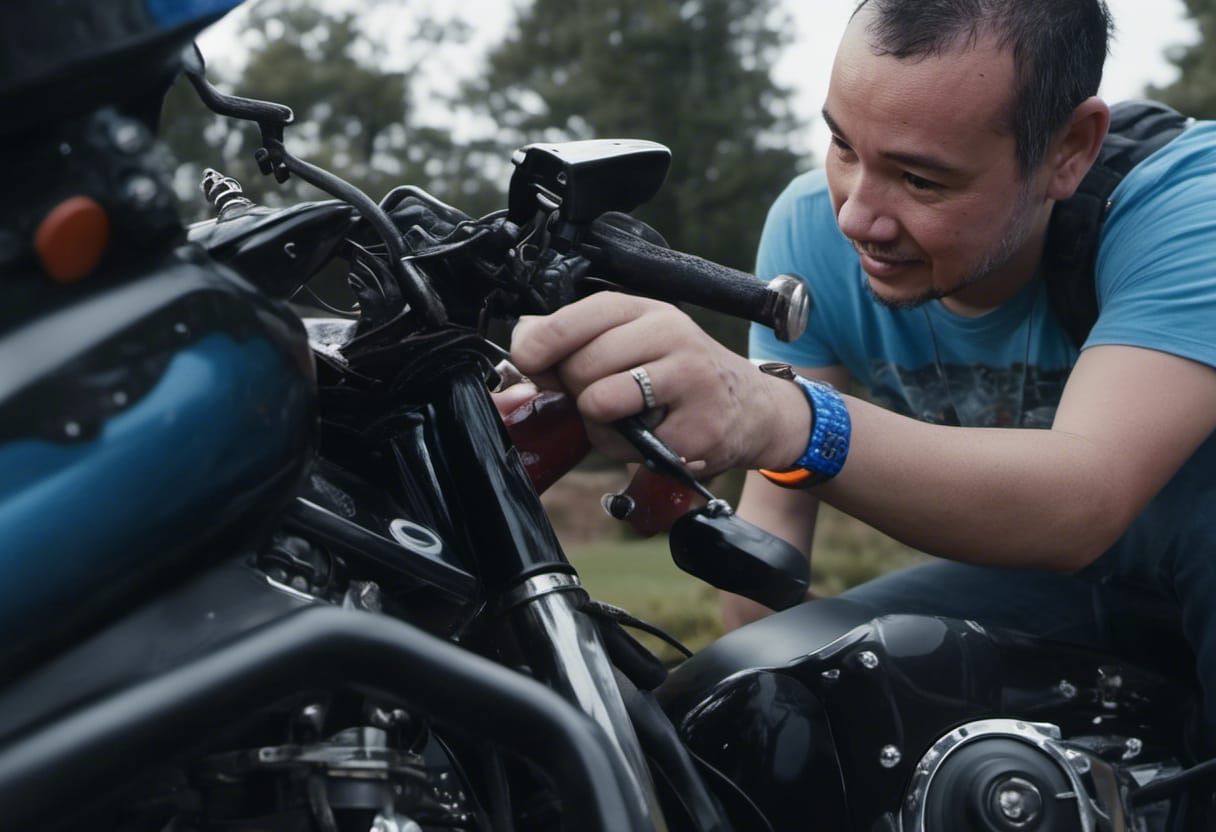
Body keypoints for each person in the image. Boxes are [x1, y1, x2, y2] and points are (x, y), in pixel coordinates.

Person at [507, 0, 1216, 747]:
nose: (855, 217)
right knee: (758, 701)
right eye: (843, 146)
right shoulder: (812, 227)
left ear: (1068, 150)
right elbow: (773, 530)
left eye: (919, 180)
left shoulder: (1186, 209)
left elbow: (1084, 498)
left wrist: (782, 415)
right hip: (1066, 586)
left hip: (1176, 558)